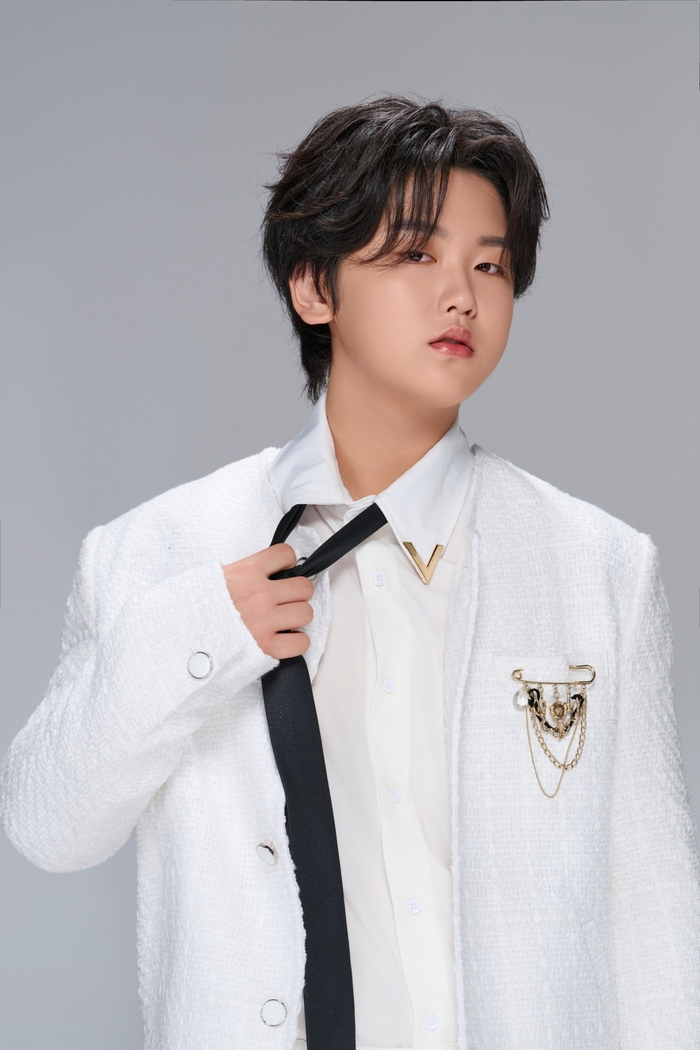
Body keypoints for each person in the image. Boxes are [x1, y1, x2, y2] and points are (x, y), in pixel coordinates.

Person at [2, 96, 698, 1050]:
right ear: (313, 287)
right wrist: (204, 631)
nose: (462, 296)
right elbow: (48, 826)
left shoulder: (599, 568)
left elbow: (655, 911)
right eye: (414, 255)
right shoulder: (158, 551)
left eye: (489, 265)